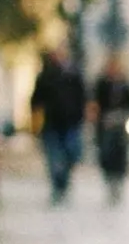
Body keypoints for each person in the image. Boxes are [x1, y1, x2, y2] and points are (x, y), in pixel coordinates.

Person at [30, 48, 89, 205]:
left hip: (71, 123)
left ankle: (64, 181)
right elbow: (35, 100)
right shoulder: (45, 76)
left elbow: (83, 97)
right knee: (54, 158)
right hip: (51, 124)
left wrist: (82, 116)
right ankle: (57, 185)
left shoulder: (74, 75)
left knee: (72, 154)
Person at [91, 55, 129, 206]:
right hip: (105, 126)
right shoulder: (102, 84)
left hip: (121, 126)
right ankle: (109, 180)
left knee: (121, 155)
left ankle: (118, 181)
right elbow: (95, 104)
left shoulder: (125, 85)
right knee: (106, 154)